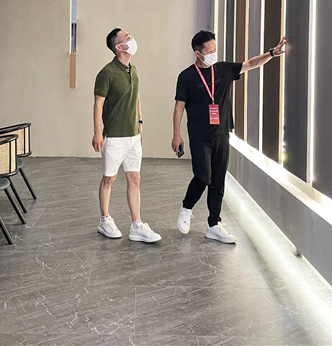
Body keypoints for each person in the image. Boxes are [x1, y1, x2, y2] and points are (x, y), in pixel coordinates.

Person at [172, 30, 287, 243]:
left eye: (215, 50)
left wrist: (272, 53)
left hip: (222, 134)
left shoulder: (223, 69)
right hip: (199, 136)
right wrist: (176, 135)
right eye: (209, 51)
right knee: (203, 177)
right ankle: (187, 207)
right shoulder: (186, 76)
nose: (213, 54)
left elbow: (250, 64)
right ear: (198, 53)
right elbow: (179, 106)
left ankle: (214, 224)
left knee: (218, 180)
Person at [92, 28, 161, 243]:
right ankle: (104, 220)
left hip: (133, 135)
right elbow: (98, 104)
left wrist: (140, 122)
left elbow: (136, 95)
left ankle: (137, 225)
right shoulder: (106, 73)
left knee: (134, 178)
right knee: (109, 178)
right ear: (118, 47)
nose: (131, 39)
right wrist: (97, 133)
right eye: (127, 38)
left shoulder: (133, 69)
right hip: (114, 135)